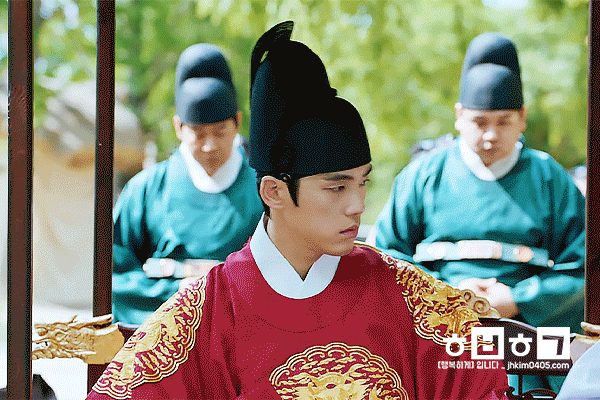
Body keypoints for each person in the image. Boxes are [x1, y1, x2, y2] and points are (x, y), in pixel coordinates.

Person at [87, 22, 510, 400]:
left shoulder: (416, 301)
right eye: (336, 187)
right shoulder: (204, 312)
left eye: (362, 182)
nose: (357, 206)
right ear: (273, 191)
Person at [373, 32, 585, 393]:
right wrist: (448, 294)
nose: (490, 136)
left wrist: (516, 299)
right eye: (479, 122)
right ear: (459, 116)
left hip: (526, 341)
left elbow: (582, 269)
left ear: (522, 118)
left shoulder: (549, 177)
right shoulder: (423, 175)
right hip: (437, 335)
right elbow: (385, 258)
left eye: (503, 121)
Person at [112, 43, 263, 325]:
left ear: (238, 122)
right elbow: (113, 276)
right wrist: (176, 294)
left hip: (248, 330)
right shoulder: (146, 189)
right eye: (198, 133)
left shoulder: (266, 188)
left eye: (220, 131)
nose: (210, 146)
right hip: (166, 332)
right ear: (179, 127)